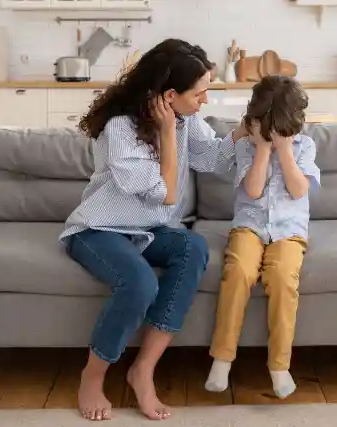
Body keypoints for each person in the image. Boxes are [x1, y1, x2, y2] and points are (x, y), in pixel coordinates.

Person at [59, 38, 247, 422]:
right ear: (170, 95)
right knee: (141, 284)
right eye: (200, 93)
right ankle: (92, 378)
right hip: (98, 230)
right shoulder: (120, 129)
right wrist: (165, 133)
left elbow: (212, 157)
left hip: (148, 230)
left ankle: (142, 370)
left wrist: (246, 130)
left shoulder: (184, 117)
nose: (205, 101)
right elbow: (166, 193)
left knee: (192, 248)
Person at [204, 75, 321, 399]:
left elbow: (299, 190)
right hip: (250, 226)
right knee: (239, 271)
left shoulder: (305, 146)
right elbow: (253, 190)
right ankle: (222, 359)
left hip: (289, 232)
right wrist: (263, 149)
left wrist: (283, 150)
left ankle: (279, 366)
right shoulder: (246, 146)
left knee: (283, 277)